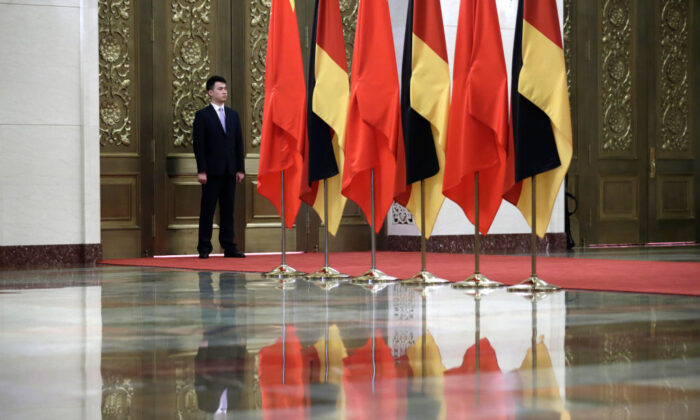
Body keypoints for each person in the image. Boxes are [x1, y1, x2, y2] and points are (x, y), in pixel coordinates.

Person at [193, 75, 246, 258]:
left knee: (228, 210)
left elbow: (239, 143)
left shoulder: (233, 115)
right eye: (220, 89)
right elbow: (198, 145)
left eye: (225, 88)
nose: (224, 92)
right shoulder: (202, 116)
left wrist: (240, 168)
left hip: (230, 170)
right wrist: (201, 170)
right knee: (207, 210)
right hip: (211, 171)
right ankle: (204, 247)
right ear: (210, 92)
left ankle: (229, 246)